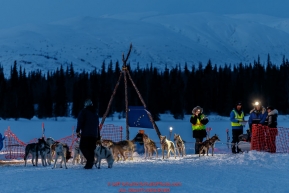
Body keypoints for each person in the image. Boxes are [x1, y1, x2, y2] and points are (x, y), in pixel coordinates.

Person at [76, 99, 100, 169]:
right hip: (94, 135)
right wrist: (98, 136)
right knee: (91, 149)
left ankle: (90, 161)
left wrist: (78, 130)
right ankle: (89, 164)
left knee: (83, 147)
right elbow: (97, 125)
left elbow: (80, 121)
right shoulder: (95, 113)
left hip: (86, 134)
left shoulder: (83, 112)